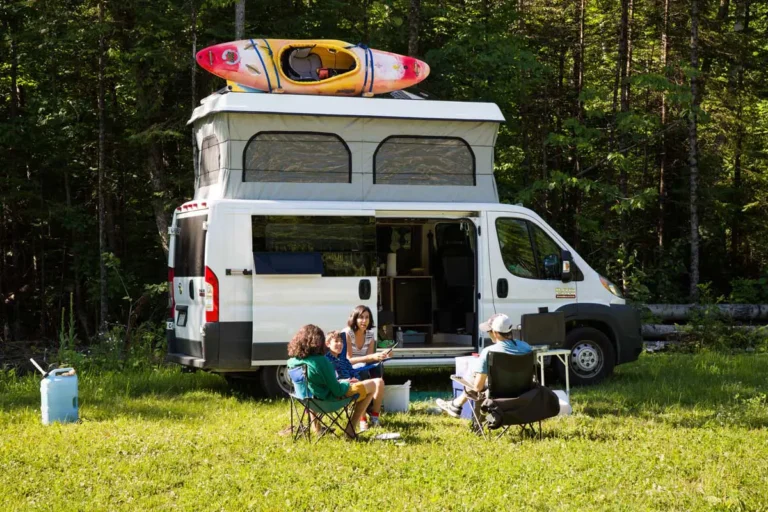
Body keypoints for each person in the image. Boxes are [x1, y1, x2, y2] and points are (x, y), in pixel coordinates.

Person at [436, 313, 532, 418]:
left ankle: (457, 406)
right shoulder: (526, 347)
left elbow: (478, 387)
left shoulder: (489, 352)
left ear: (495, 333)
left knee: (476, 378)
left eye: (488, 331)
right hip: (524, 392)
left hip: (498, 394)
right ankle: (455, 405)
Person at [286, 324, 373, 439]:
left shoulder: (292, 361)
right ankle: (350, 431)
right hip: (325, 402)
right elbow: (337, 391)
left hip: (306, 400)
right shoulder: (321, 361)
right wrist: (347, 383)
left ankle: (317, 428)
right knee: (373, 385)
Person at [325, 330, 386, 429]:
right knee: (368, 387)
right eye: (336, 341)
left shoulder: (343, 359)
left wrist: (355, 379)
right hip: (341, 389)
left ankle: (374, 417)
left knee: (379, 381)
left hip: (351, 384)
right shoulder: (326, 360)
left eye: (341, 341)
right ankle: (362, 419)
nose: (340, 344)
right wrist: (346, 381)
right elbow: (331, 380)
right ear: (328, 344)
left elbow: (352, 372)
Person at [343, 305, 391, 376]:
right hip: (347, 368)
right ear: (355, 319)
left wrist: (382, 355)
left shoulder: (370, 334)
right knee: (362, 370)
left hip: (362, 366)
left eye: (367, 317)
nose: (364, 321)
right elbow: (348, 361)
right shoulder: (347, 333)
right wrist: (370, 357)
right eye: (361, 317)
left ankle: (378, 385)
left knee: (377, 366)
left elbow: (369, 359)